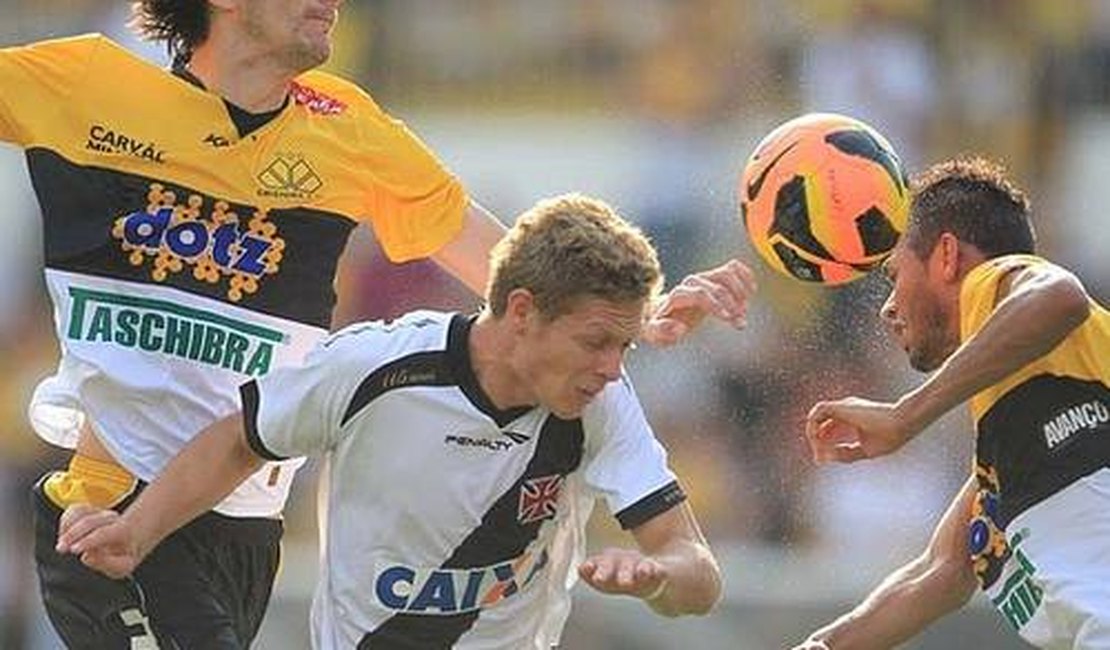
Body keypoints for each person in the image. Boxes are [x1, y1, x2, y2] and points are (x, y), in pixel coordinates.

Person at [1, 2, 753, 647]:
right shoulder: (87, 85)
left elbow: (508, 271)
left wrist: (642, 316)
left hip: (245, 522)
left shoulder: (348, 130)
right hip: (111, 505)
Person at [57, 193, 723, 649]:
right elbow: (239, 439)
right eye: (596, 341)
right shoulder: (378, 366)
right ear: (522, 311)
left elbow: (697, 570)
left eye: (624, 347)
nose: (612, 367)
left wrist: (659, 576)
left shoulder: (600, 402)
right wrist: (136, 530)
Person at [794, 156, 1110, 650]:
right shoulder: (1011, 438)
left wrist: (905, 416)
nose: (888, 306)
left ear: (946, 256)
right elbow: (936, 574)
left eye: (894, 274)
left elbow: (1060, 296)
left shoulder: (993, 283)